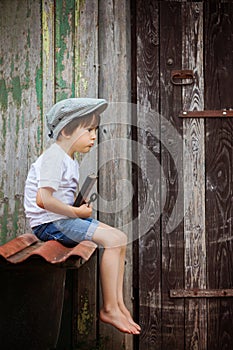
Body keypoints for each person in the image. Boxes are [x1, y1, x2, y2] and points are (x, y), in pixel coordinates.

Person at [24, 98, 141, 335]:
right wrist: (77, 212)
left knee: (119, 237)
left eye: (95, 130)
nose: (94, 136)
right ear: (66, 130)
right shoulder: (54, 157)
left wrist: (77, 204)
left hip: (61, 220)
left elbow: (58, 198)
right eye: (89, 130)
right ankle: (108, 308)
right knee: (113, 240)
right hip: (50, 224)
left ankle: (117, 305)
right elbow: (42, 200)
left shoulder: (67, 159)